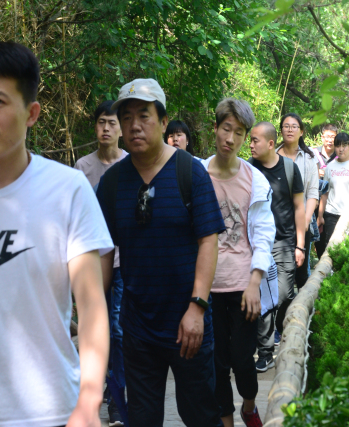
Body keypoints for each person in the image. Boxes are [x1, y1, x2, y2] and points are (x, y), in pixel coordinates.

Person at [0, 41, 112, 427]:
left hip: (49, 410)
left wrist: (89, 402)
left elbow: (91, 306)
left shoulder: (67, 189)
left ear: (31, 113)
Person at [95, 78, 226, 427]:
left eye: (144, 115)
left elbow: (208, 241)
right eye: (126, 118)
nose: (134, 125)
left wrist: (197, 307)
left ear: (164, 121)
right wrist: (94, 311)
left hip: (189, 323)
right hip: (137, 327)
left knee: (201, 416)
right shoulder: (112, 183)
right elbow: (103, 252)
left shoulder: (189, 172)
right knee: (142, 418)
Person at [201, 99, 277, 427]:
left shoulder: (254, 180)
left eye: (239, 133)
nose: (230, 139)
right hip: (207, 288)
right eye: (226, 129)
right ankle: (226, 419)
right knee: (217, 363)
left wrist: (255, 283)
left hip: (243, 285)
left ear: (246, 137)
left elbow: (263, 234)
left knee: (243, 359)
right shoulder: (197, 175)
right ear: (216, 128)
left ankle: (248, 405)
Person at [74, 99, 128, 427]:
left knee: (118, 330)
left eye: (112, 123)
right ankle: (98, 391)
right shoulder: (83, 167)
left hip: (123, 259)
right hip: (92, 260)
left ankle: (117, 399)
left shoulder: (130, 163)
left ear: (121, 129)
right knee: (95, 328)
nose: (106, 129)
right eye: (101, 123)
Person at [249, 121, 305, 372]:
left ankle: (266, 342)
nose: (251, 145)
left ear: (270, 144)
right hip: (257, 245)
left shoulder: (290, 169)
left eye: (255, 140)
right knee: (264, 297)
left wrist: (300, 246)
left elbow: (299, 208)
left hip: (283, 244)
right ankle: (265, 352)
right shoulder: (248, 169)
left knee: (279, 294)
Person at [275, 113, 319, 290]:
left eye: (294, 126)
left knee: (300, 272)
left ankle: (301, 305)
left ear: (301, 132)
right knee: (276, 270)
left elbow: (313, 192)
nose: (290, 130)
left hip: (301, 223)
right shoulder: (272, 155)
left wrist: (306, 220)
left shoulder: (308, 158)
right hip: (276, 223)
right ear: (281, 130)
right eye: (286, 126)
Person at [316, 132, 349, 257]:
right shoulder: (330, 167)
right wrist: (320, 215)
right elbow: (325, 193)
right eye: (338, 145)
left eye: (344, 145)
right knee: (332, 251)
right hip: (332, 214)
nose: (341, 149)